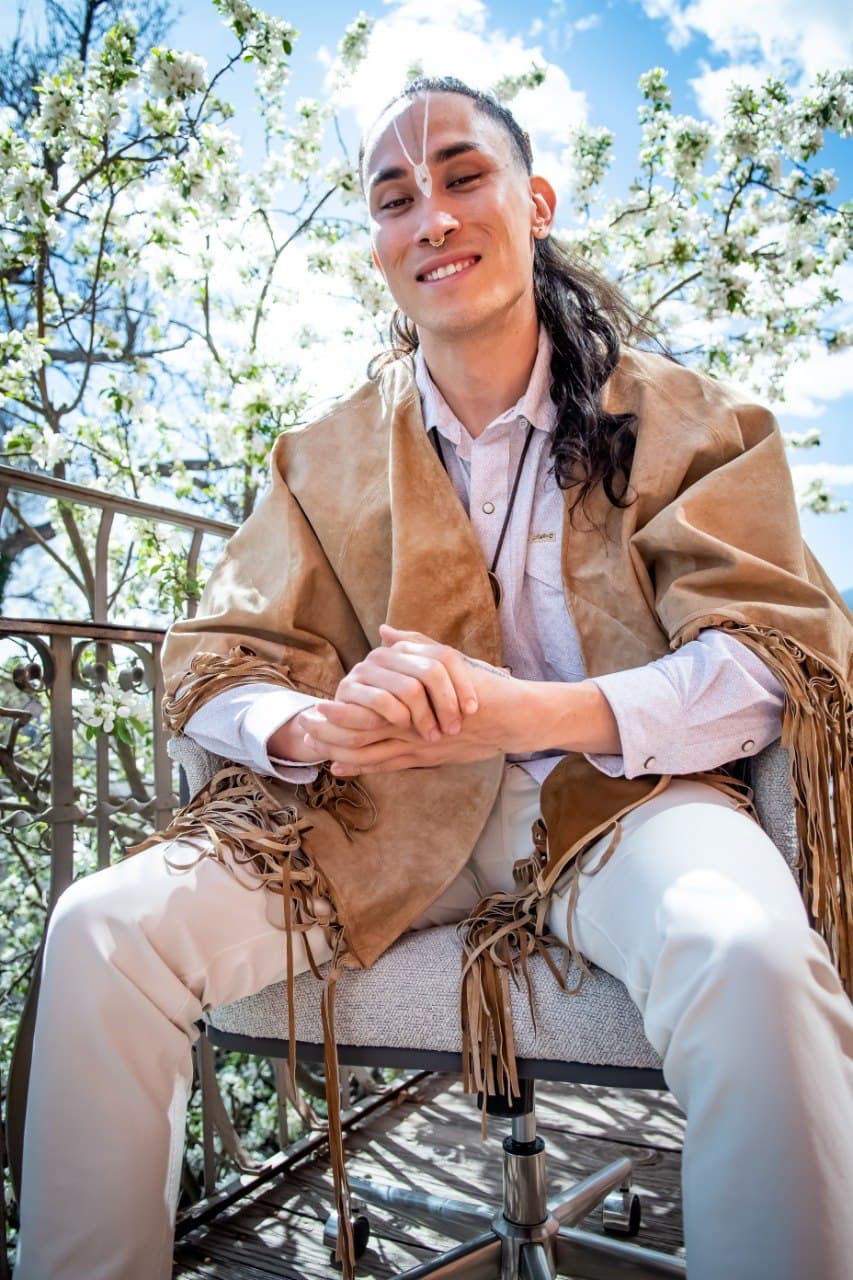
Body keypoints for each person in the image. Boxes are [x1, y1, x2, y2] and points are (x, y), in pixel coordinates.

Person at [16, 76, 853, 1280]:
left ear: (536, 200)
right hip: (379, 815)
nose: (432, 217)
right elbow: (215, 659)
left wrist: (534, 714)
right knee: (100, 927)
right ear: (377, 244)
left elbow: (769, 657)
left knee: (751, 955)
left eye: (464, 177)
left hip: (616, 804)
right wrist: (312, 730)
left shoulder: (684, 415)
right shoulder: (324, 453)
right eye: (394, 197)